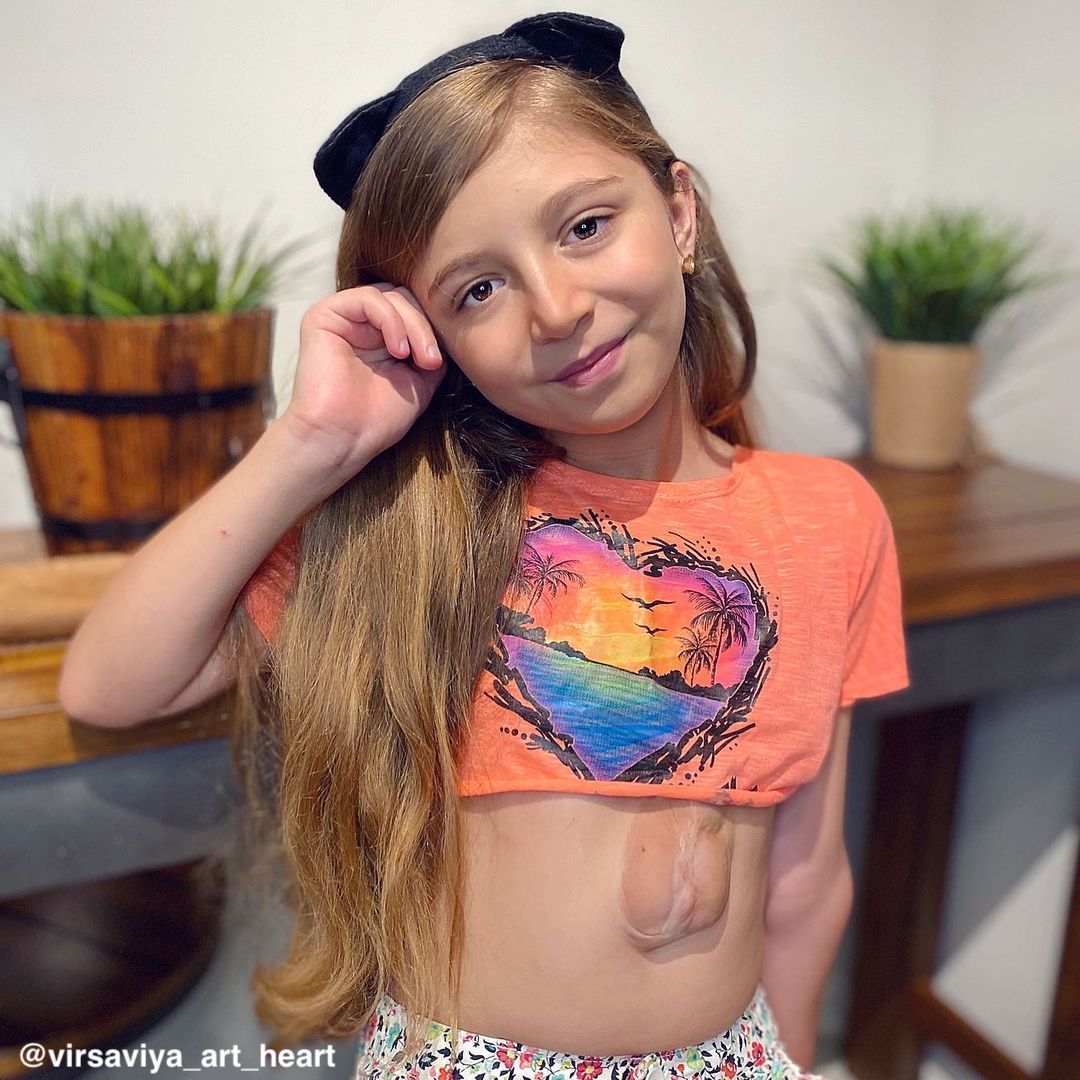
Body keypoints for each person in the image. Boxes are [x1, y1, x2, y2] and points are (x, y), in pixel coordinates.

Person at [58, 12, 909, 1080]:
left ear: (679, 211)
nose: (556, 309)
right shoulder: (411, 527)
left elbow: (806, 878)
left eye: (585, 226)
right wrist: (312, 441)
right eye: (478, 288)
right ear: (430, 334)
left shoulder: (830, 519)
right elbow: (110, 683)